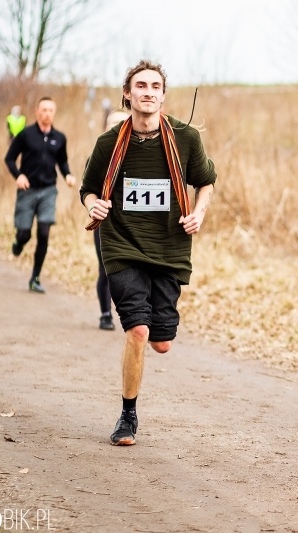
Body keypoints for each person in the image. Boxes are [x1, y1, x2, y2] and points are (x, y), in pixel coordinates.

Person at [80, 60, 217, 446]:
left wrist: (198, 212)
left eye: (155, 86)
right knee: (138, 330)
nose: (148, 91)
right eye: (140, 85)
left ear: (162, 94)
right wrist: (93, 205)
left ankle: (158, 333)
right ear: (128, 94)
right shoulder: (109, 142)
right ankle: (128, 415)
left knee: (161, 341)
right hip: (122, 245)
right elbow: (87, 189)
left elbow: (206, 181)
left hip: (170, 248)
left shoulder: (185, 138)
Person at [4, 96, 77, 293]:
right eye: (43, 110)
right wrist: (18, 176)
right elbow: (10, 159)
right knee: (25, 233)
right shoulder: (25, 135)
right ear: (36, 111)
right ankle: (18, 243)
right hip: (27, 190)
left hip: (48, 190)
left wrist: (68, 175)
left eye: (50, 110)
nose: (46, 114)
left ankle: (35, 277)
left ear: (54, 113)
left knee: (44, 233)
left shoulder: (59, 138)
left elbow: (62, 162)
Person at [93, 109, 130, 331]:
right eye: (113, 123)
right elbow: (88, 189)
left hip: (134, 225)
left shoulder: (142, 154)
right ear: (106, 127)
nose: (117, 128)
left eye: (122, 123)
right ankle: (106, 314)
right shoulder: (99, 154)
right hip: (106, 223)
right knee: (106, 269)